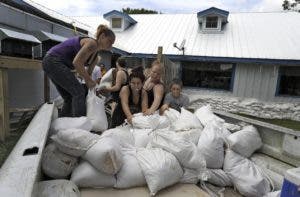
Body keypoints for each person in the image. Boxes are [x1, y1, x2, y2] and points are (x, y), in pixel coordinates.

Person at [42, 24, 115, 117]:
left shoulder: (95, 57)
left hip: (51, 62)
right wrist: (89, 81)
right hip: (53, 61)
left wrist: (94, 88)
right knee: (78, 92)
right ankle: (80, 125)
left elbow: (87, 74)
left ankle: (64, 124)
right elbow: (77, 63)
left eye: (112, 43)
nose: (111, 45)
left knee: (69, 97)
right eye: (109, 41)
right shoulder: (92, 43)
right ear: (102, 36)